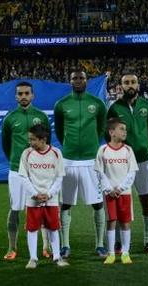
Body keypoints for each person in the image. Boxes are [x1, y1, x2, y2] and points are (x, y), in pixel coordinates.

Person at [53, 70, 108, 258]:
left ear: (87, 81)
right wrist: (69, 145)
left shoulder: (97, 103)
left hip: (91, 159)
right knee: (66, 204)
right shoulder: (61, 104)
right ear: (69, 81)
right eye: (74, 78)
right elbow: (59, 131)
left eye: (81, 78)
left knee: (98, 203)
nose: (78, 81)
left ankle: (100, 245)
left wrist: (91, 143)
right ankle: (65, 245)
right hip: (68, 160)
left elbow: (101, 128)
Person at [106, 73, 148, 254]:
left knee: (146, 198)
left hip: (143, 160)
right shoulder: (114, 109)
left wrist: (141, 143)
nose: (130, 85)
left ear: (138, 84)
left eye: (133, 82)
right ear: (121, 86)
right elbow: (109, 133)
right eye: (126, 82)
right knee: (121, 200)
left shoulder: (147, 107)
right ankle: (119, 243)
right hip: (121, 163)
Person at [0, 82, 50, 261]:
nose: (23, 96)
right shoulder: (10, 118)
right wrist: (16, 159)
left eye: (26, 93)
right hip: (16, 170)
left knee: (42, 207)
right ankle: (12, 247)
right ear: (16, 97)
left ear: (32, 95)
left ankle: (46, 246)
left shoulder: (41, 116)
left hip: (39, 171)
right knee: (15, 209)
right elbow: (6, 143)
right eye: (20, 94)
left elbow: (47, 142)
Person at [18, 124, 69, 269]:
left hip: (51, 199)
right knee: (32, 228)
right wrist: (34, 194)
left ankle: (57, 257)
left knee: (53, 228)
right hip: (33, 199)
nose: (31, 142)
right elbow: (24, 176)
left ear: (43, 139)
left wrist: (49, 194)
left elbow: (59, 177)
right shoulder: (26, 154)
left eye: (33, 139)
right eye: (29, 139)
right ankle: (33, 258)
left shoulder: (56, 153)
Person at [95, 118, 139, 265]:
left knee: (125, 222)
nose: (124, 132)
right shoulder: (103, 150)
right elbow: (100, 173)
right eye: (121, 129)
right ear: (111, 132)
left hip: (124, 193)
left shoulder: (128, 150)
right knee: (111, 221)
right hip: (109, 194)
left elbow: (131, 173)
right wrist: (109, 189)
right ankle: (111, 253)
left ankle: (126, 253)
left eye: (125, 129)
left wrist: (120, 188)